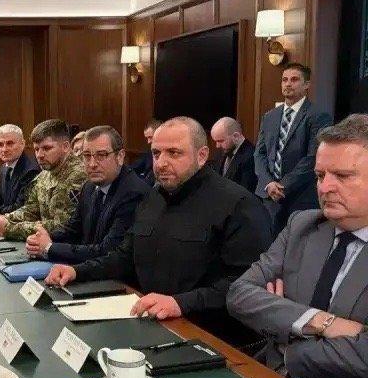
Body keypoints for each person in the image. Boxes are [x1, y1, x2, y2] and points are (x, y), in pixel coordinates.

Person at [45, 117, 270, 345]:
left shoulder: (239, 205)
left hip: (210, 336)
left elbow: (246, 284)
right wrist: (77, 271)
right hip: (149, 322)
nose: (161, 163)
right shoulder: (153, 198)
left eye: (174, 153)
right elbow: (125, 256)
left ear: (201, 156)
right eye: (156, 153)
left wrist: (180, 302)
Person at [228, 114, 368, 378]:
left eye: (342, 176)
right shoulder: (303, 224)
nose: (326, 187)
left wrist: (288, 347)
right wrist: (319, 321)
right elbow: (240, 294)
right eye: (320, 175)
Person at [25, 126, 150, 263]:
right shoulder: (89, 186)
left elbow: (107, 251)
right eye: (86, 156)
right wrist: (40, 240)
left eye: (101, 155)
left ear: (120, 157)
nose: (92, 164)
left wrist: (49, 248)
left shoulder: (133, 193)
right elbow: (73, 230)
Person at [255, 63, 333, 236]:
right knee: (268, 245)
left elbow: (314, 157)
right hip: (269, 197)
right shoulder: (269, 116)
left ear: (306, 85)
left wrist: (282, 186)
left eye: (294, 80)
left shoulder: (318, 115)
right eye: (284, 80)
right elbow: (259, 154)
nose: (288, 84)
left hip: (299, 197)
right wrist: (269, 183)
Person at [0, 119, 86, 241]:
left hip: (69, 246)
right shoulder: (45, 174)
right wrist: (6, 218)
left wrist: (8, 228)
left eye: (47, 148)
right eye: (36, 149)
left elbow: (61, 226)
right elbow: (31, 209)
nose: (40, 155)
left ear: (66, 147)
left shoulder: (77, 175)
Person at [210, 117, 257, 192]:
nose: (217, 146)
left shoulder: (251, 156)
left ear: (236, 136)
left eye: (221, 141)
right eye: (216, 141)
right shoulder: (221, 152)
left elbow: (245, 192)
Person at [130, 119, 161, 186]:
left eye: (150, 137)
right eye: (147, 138)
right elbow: (135, 166)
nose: (148, 142)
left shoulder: (167, 155)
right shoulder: (150, 152)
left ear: (160, 134)